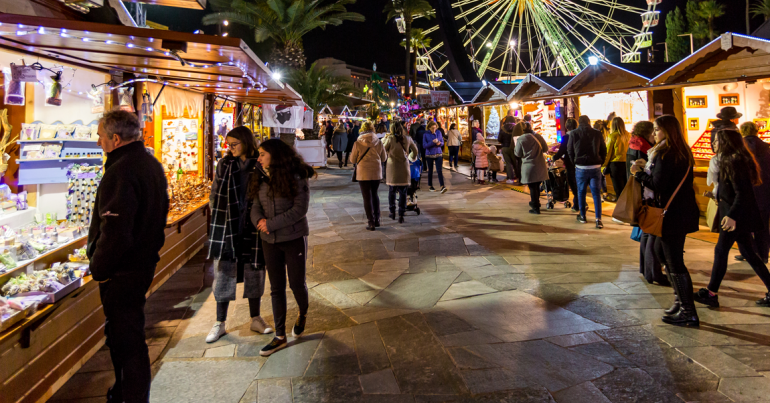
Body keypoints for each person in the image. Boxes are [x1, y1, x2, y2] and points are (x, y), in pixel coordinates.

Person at [89, 110, 169, 402]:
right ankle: (125, 390)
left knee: (126, 338)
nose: (99, 142)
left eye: (100, 136)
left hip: (123, 271)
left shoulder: (121, 171)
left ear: (115, 138)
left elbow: (116, 229)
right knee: (127, 334)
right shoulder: (149, 164)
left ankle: (132, 396)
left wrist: (99, 267)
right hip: (142, 264)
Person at [630, 115, 700, 326]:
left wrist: (638, 173)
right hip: (681, 211)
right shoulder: (681, 151)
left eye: (657, 130)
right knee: (662, 253)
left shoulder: (665, 154)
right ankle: (680, 301)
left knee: (674, 261)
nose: (654, 134)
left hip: (673, 214)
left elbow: (658, 184)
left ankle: (689, 311)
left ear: (667, 131)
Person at [206, 126, 272, 344]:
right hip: (228, 224)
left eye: (234, 144)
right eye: (228, 144)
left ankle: (255, 317)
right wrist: (218, 214)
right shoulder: (225, 164)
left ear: (246, 142)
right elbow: (215, 192)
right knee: (224, 272)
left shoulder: (258, 164)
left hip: (252, 225)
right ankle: (220, 322)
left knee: (255, 270)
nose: (230, 148)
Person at [250, 139, 315, 356]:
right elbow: (255, 206)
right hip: (269, 241)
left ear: (275, 155)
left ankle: (303, 312)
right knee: (276, 288)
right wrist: (259, 221)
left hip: (294, 237)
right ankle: (280, 335)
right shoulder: (260, 177)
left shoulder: (296, 175)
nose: (258, 158)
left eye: (262, 154)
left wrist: (270, 224)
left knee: (297, 284)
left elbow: (299, 209)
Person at [693, 129, 770, 308]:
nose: (714, 144)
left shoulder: (733, 161)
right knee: (750, 254)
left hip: (735, 217)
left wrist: (731, 216)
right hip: (736, 216)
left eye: (717, 141)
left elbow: (743, 193)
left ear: (727, 142)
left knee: (721, 251)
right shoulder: (733, 160)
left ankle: (711, 293)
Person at [626, 121, 665, 286]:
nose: (654, 135)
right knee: (651, 234)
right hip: (650, 196)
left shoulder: (634, 144)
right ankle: (652, 272)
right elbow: (655, 180)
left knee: (647, 233)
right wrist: (643, 172)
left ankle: (647, 270)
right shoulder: (649, 149)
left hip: (641, 194)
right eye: (653, 131)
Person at [734, 121, 770, 264]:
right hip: (765, 192)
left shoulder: (741, 148)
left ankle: (750, 253)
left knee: (746, 225)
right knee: (763, 225)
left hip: (748, 192)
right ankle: (764, 254)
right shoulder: (766, 148)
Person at [568, 115, 607, 229]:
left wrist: (575, 162)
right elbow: (604, 149)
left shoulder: (574, 133)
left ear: (579, 123)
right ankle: (598, 219)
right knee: (596, 193)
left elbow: (570, 150)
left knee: (581, 192)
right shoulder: (597, 133)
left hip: (581, 167)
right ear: (589, 122)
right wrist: (600, 162)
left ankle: (583, 217)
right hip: (595, 166)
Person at [351, 121, 388, 230]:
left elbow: (352, 159)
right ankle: (377, 219)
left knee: (366, 197)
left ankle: (370, 222)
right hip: (376, 171)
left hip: (363, 173)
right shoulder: (379, 142)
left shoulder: (357, 143)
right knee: (375, 194)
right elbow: (384, 158)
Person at [383, 121, 419, 223]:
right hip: (404, 167)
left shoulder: (390, 139)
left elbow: (383, 149)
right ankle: (401, 213)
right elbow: (415, 151)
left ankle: (392, 211)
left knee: (392, 190)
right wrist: (411, 158)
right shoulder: (408, 138)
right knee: (403, 191)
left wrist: (384, 139)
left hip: (392, 167)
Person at [515, 122, 549, 214]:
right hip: (540, 166)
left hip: (528, 166)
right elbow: (545, 149)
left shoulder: (520, 139)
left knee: (532, 187)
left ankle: (535, 206)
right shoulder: (538, 137)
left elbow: (517, 154)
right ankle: (536, 204)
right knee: (537, 186)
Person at [552, 118, 579, 211]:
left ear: (567, 127)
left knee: (573, 184)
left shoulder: (566, 137)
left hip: (570, 163)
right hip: (580, 163)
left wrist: (554, 157)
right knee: (579, 184)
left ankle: (578, 204)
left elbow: (562, 150)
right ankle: (579, 203)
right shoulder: (579, 135)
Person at [603, 116, 630, 199]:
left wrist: (603, 166)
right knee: (626, 188)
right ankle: (627, 208)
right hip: (627, 164)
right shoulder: (629, 135)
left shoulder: (612, 136)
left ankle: (620, 209)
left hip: (615, 165)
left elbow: (608, 153)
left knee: (618, 189)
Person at [423, 121, 448, 193]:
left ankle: (442, 186)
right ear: (429, 128)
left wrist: (439, 143)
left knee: (439, 170)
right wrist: (432, 142)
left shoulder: (439, 132)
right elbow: (424, 145)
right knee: (430, 170)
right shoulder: (426, 134)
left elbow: (442, 142)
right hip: (429, 154)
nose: (434, 129)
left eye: (435, 128)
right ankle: (430, 186)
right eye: (432, 128)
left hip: (438, 153)